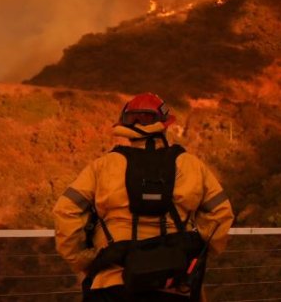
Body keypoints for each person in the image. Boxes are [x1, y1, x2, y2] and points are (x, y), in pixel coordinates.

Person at [53, 93, 233, 301]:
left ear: (125, 125)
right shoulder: (191, 165)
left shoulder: (102, 167)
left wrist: (84, 259)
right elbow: (221, 214)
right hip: (173, 283)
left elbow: (65, 211)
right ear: (165, 125)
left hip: (111, 283)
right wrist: (193, 249)